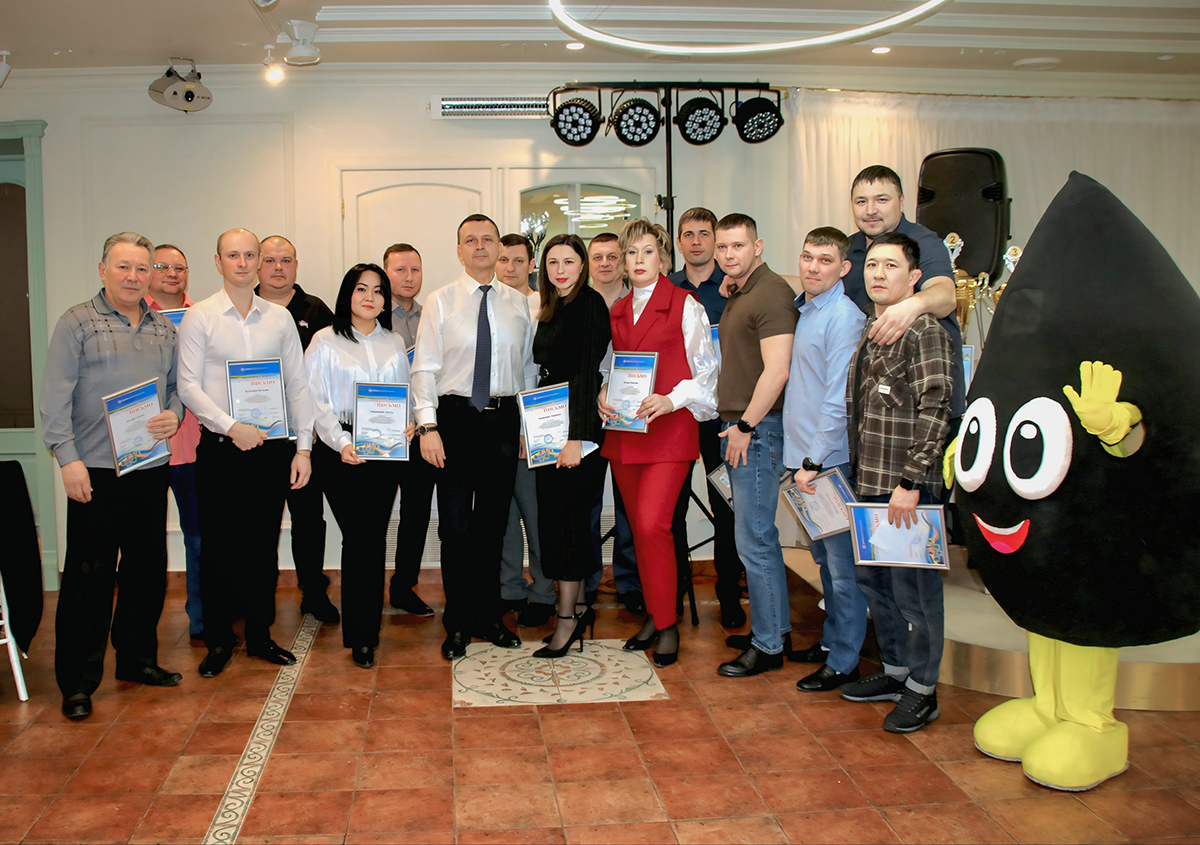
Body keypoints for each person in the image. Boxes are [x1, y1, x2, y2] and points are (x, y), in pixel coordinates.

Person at [41, 232, 183, 720]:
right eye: (123, 267)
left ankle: (137, 660)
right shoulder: (77, 322)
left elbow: (175, 388)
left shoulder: (164, 328)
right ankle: (78, 683)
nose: (133, 277)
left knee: (146, 570)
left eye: (142, 268)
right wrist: (68, 459)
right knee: (89, 576)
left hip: (147, 465)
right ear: (103, 270)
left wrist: (174, 414)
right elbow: (54, 397)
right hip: (94, 469)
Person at [177, 228, 316, 677]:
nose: (242, 263)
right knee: (218, 547)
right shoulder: (200, 316)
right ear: (218, 262)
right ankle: (219, 640)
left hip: (272, 449)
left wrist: (304, 448)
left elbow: (298, 385)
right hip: (221, 448)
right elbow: (187, 386)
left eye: (249, 255)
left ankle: (260, 635)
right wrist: (231, 426)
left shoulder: (279, 318)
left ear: (258, 261)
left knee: (262, 545)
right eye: (232, 255)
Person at [840, 232, 953, 733]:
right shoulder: (872, 326)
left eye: (891, 265)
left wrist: (912, 480)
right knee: (876, 584)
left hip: (908, 489)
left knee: (916, 594)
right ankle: (895, 672)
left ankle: (923, 691)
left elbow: (937, 408)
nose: (878, 273)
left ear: (914, 277)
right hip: (869, 483)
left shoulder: (924, 330)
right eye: (872, 265)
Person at [411, 213, 536, 660]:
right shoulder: (441, 301)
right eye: (471, 240)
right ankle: (458, 622)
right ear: (459, 250)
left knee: (493, 526)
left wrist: (526, 427)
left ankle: (488, 616)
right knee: (457, 526)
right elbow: (424, 367)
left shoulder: (519, 304)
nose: (480, 246)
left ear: (499, 247)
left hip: (503, 420)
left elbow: (526, 371)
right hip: (455, 421)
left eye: (488, 239)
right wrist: (427, 426)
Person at [599, 217, 718, 667]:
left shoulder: (685, 304)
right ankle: (655, 613)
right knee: (639, 531)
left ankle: (667, 625)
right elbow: (612, 366)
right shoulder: (618, 310)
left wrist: (671, 400)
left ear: (663, 259)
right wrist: (603, 391)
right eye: (631, 253)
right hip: (626, 433)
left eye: (647, 251)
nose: (638, 260)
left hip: (669, 432)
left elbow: (707, 370)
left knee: (653, 527)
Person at [306, 263, 412, 668]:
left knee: (372, 539)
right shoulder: (324, 340)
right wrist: (342, 442)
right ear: (347, 294)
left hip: (385, 453)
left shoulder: (394, 342)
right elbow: (316, 401)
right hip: (340, 452)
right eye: (361, 289)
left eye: (378, 290)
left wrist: (409, 423)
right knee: (359, 539)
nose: (370, 297)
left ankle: (366, 632)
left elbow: (404, 393)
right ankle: (361, 634)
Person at [710, 214, 798, 679]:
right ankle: (774, 629)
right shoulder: (743, 289)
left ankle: (768, 647)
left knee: (755, 539)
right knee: (756, 536)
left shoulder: (770, 293)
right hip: (745, 426)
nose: (729, 255)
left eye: (738, 246)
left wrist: (745, 424)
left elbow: (777, 371)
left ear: (758, 246)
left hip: (758, 430)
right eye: (723, 247)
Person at [782, 228, 869, 692]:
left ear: (844, 268)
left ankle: (845, 660)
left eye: (825, 260)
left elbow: (838, 400)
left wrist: (813, 461)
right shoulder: (806, 310)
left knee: (842, 568)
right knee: (825, 563)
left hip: (826, 464)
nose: (813, 267)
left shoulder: (843, 317)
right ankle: (833, 641)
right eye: (807, 257)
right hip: (804, 461)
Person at [529, 234, 611, 656]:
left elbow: (584, 373)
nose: (560, 270)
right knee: (556, 522)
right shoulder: (552, 306)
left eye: (569, 262)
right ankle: (576, 609)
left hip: (575, 433)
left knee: (570, 527)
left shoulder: (589, 305)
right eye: (553, 262)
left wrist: (577, 438)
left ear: (583, 266)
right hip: (548, 428)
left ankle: (566, 622)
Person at [666, 207, 746, 628]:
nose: (696, 241)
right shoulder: (667, 289)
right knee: (672, 507)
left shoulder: (735, 287)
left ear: (714, 240)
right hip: (678, 415)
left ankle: (729, 592)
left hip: (723, 415)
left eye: (703, 233)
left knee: (726, 506)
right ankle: (675, 590)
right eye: (688, 234)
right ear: (679, 242)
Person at [254, 235, 338, 624]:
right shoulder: (245, 307)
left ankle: (313, 591)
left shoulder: (316, 310)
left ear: (296, 266)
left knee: (308, 519)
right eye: (270, 260)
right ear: (258, 265)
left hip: (306, 436)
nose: (278, 268)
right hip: (258, 437)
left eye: (286, 260)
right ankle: (258, 597)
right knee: (260, 522)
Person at [845, 165, 964, 420]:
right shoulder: (850, 247)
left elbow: (946, 295)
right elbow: (816, 285)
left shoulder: (923, 242)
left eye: (882, 200)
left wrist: (909, 306)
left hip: (925, 401)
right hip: (875, 403)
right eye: (861, 201)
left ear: (901, 202)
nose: (870, 210)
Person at [496, 233, 555, 627]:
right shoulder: (489, 304)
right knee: (504, 515)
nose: (510, 268)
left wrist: (526, 427)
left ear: (532, 265)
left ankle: (544, 592)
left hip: (534, 424)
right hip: (497, 424)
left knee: (537, 515)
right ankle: (509, 589)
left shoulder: (542, 307)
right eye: (504, 260)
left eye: (519, 261)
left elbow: (535, 371)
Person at [146, 243, 204, 640]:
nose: (172, 273)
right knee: (144, 546)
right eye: (162, 266)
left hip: (196, 446)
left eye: (179, 267)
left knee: (200, 540)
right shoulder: (131, 316)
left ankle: (203, 619)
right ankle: (140, 637)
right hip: (144, 448)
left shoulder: (204, 315)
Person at [586, 232, 642, 612]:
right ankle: (587, 580)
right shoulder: (579, 303)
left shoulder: (638, 302)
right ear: (589, 264)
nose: (605, 263)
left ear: (622, 262)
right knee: (588, 503)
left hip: (629, 416)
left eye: (612, 256)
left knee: (629, 503)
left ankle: (630, 581)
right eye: (598, 257)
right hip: (588, 417)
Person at [382, 242, 435, 617]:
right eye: (400, 270)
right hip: (383, 431)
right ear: (386, 273)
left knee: (416, 513)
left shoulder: (432, 314)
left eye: (415, 269)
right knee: (376, 515)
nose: (408, 277)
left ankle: (404, 586)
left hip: (421, 432)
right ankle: (367, 588)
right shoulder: (370, 314)